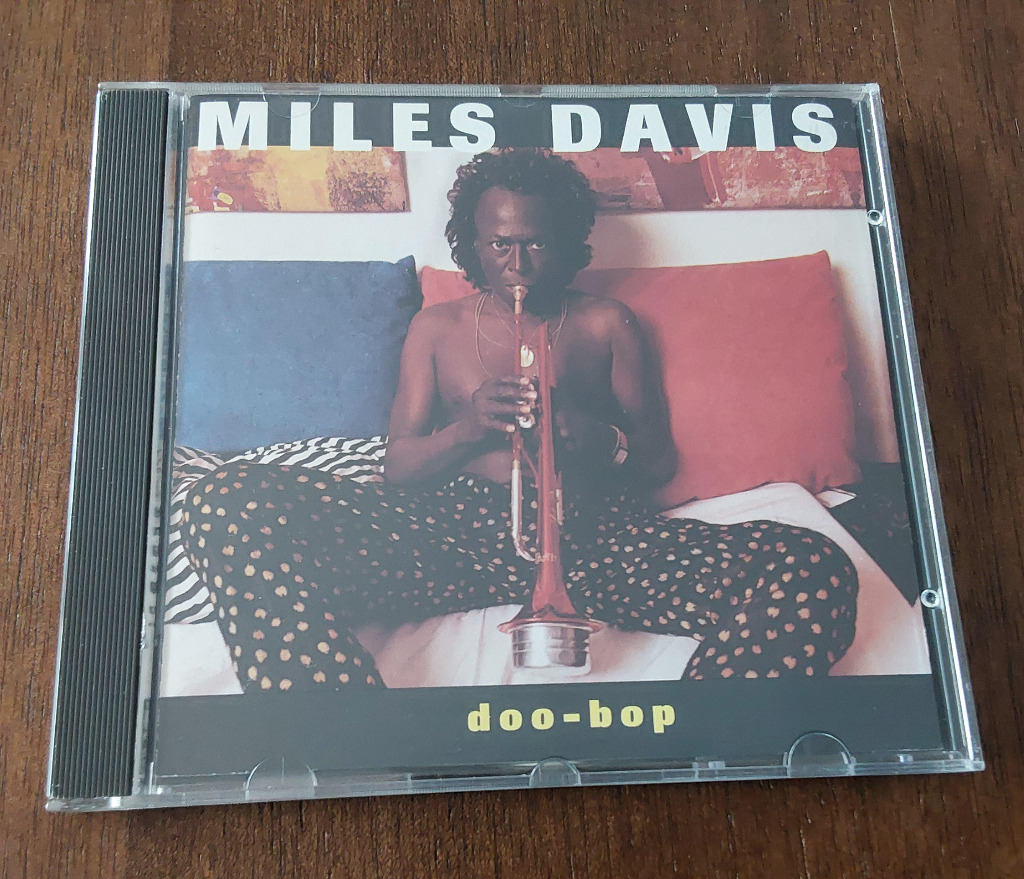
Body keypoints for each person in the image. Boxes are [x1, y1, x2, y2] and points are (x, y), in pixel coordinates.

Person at [182, 149, 858, 693]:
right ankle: (341, 727)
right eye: (500, 245)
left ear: (568, 246)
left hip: (593, 535)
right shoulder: (435, 328)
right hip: (450, 535)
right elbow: (399, 468)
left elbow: (657, 462)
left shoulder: (607, 323)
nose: (517, 264)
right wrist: (469, 429)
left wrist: (601, 441)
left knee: (811, 565)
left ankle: (700, 737)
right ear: (471, 246)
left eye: (536, 244)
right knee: (225, 500)